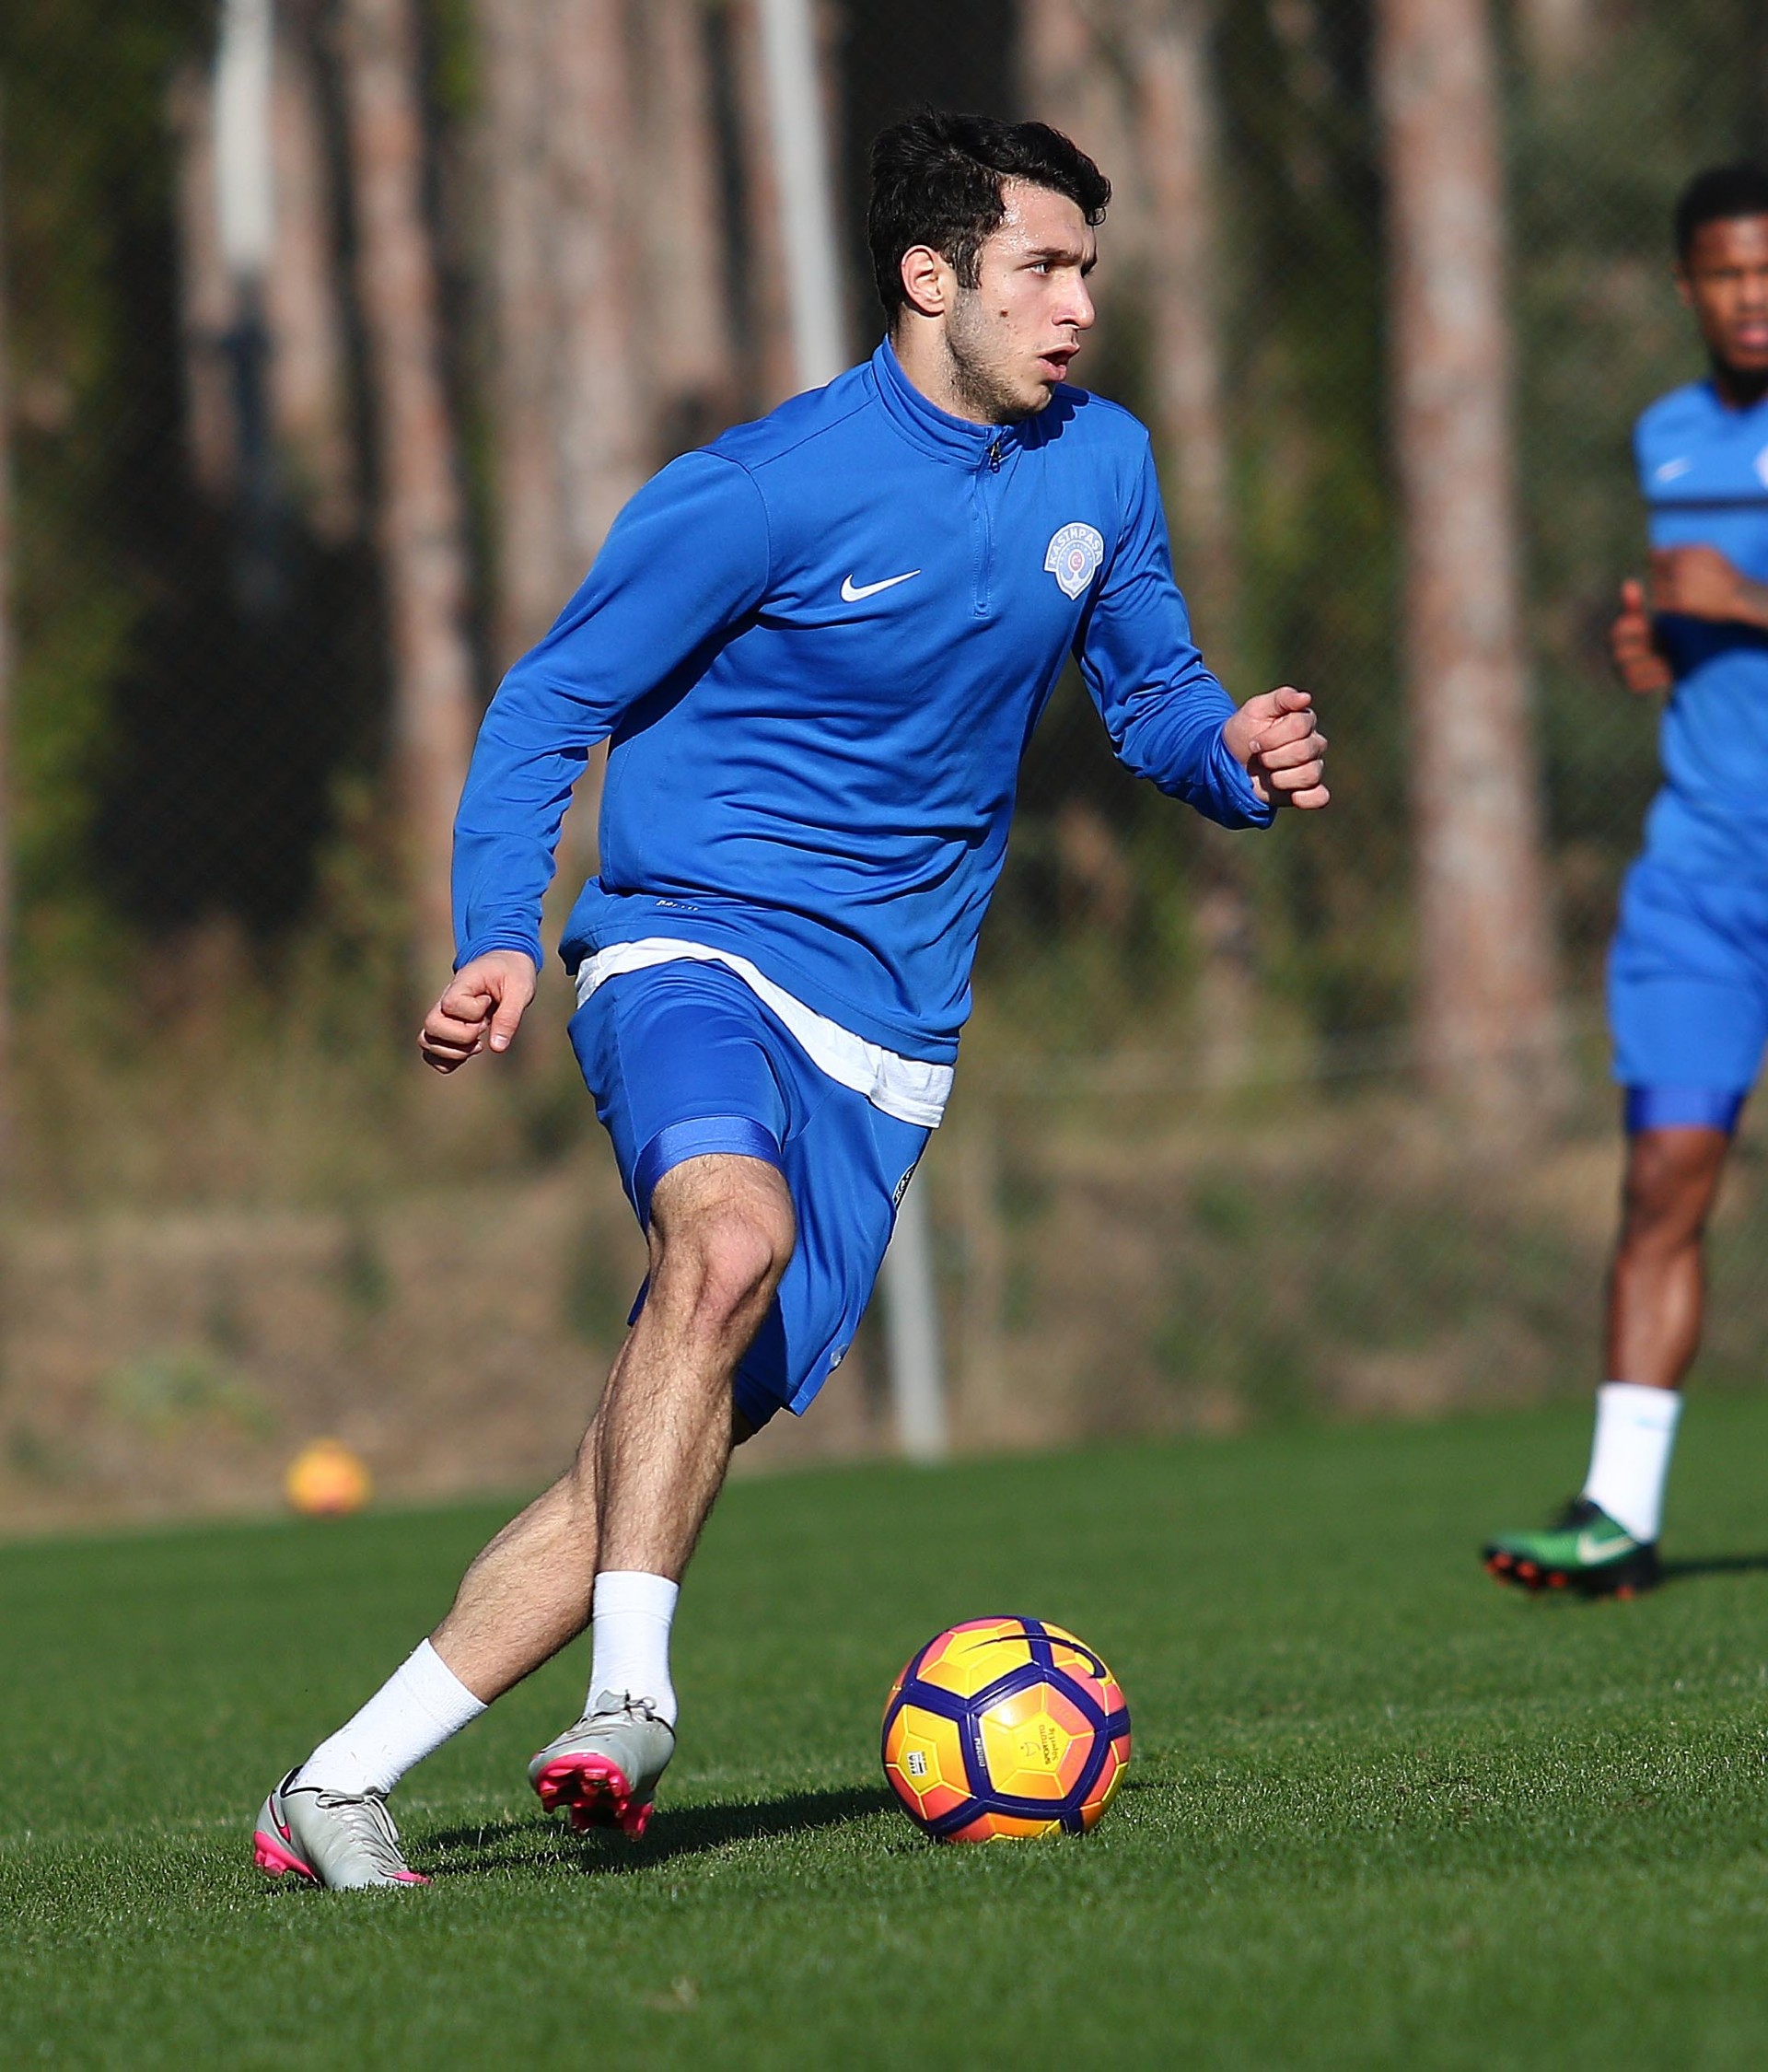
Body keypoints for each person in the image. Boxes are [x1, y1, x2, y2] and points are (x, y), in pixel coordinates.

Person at [251, 109, 1330, 1889]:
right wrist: (501, 929)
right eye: (1042, 268)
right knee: (727, 1239)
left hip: (889, 1035)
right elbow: (547, 701)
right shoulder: (762, 489)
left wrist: (1234, 755)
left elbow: (1152, 699)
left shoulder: (1105, 464)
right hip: (690, 947)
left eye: (1088, 270)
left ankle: (334, 1785)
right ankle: (633, 1703)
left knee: (638, 1463)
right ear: (931, 279)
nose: (1079, 305)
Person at [1484, 162, 1768, 1600]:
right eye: (1725, 271)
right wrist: (1652, 644)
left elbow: (1733, 599)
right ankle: (1617, 1514)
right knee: (1663, 1173)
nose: (1753, 295)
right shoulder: (1666, 433)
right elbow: (1688, 627)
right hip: (1706, 867)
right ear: (1684, 285)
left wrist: (1744, 605)